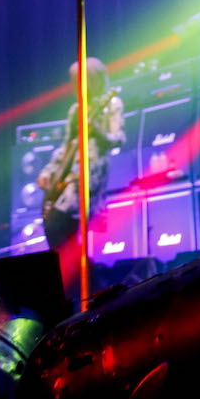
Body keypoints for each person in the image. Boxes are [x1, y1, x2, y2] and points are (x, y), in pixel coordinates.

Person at [37, 58, 125, 258]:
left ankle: (79, 268)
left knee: (58, 223)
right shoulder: (76, 110)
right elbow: (66, 146)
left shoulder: (112, 105)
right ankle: (73, 269)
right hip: (69, 174)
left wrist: (97, 133)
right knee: (54, 224)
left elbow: (118, 139)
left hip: (90, 176)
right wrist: (48, 171)